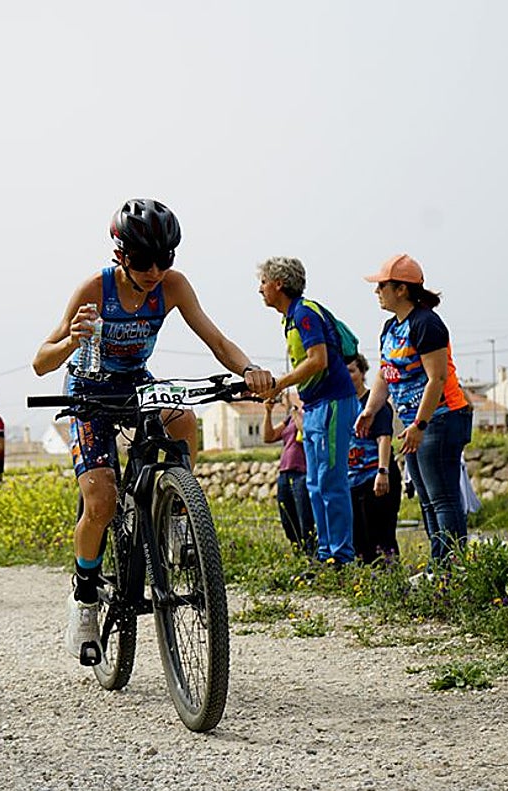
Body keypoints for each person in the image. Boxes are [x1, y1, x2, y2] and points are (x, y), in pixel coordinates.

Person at [33, 198, 273, 664]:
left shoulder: (173, 286)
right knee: (101, 500)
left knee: (183, 418)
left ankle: (179, 516)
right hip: (90, 393)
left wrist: (251, 370)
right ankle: (84, 597)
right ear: (120, 255)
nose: (155, 270)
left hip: (136, 385)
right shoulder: (94, 288)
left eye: (166, 259)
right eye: (144, 261)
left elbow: (218, 340)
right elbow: (41, 361)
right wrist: (72, 340)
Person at [356, 254, 472, 574]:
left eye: (382, 285)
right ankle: (440, 567)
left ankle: (452, 568)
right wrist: (369, 410)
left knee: (443, 497)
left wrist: (421, 423)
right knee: (426, 498)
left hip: (441, 417)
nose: (377, 291)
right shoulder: (390, 327)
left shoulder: (426, 323)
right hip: (414, 424)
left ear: (402, 289)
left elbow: (437, 378)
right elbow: (385, 373)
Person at [255, 257, 359, 568]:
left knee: (331, 482)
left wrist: (279, 384)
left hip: (332, 403)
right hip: (314, 406)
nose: (259, 289)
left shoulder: (304, 312)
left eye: (263, 282)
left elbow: (318, 360)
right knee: (314, 483)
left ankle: (342, 557)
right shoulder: (290, 317)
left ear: (278, 283)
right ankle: (325, 555)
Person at [346, 354, 401, 565]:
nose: (348, 376)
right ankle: (368, 581)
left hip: (376, 477)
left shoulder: (374, 404)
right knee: (359, 538)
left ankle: (390, 578)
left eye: (352, 371)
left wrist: (382, 471)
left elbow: (384, 438)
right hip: (353, 480)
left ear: (362, 373)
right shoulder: (343, 406)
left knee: (382, 534)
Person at [261, 389, 315, 555]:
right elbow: (268, 437)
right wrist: (268, 412)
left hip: (302, 473)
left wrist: (293, 408)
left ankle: (310, 554)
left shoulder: (310, 414)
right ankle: (298, 552)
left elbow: (305, 430)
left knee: (304, 517)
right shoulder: (290, 418)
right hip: (285, 473)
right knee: (287, 519)